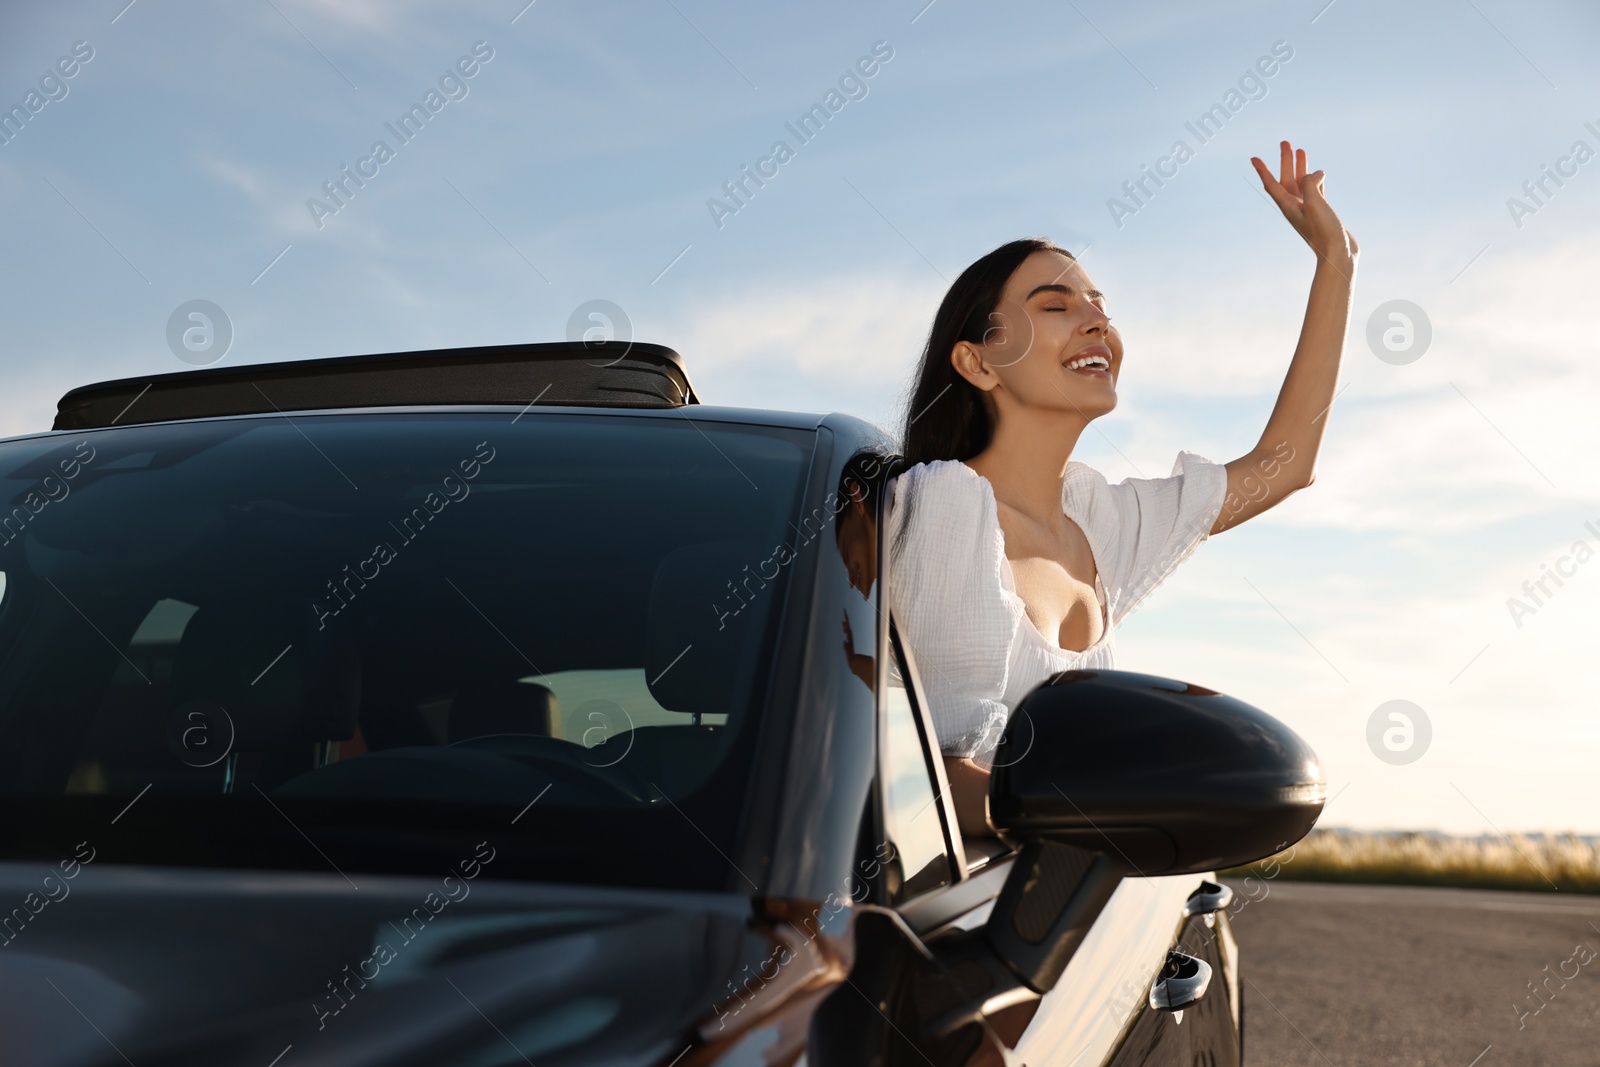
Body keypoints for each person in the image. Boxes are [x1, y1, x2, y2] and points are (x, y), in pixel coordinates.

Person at [887, 141, 1358, 837]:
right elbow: (926, 771)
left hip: (1053, 903)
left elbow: (1284, 465)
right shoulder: (946, 507)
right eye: (1055, 306)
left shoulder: (1096, 520)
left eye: (1099, 304)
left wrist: (1336, 263)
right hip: (953, 923)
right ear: (977, 362)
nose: (1096, 319)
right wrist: (1115, 811)